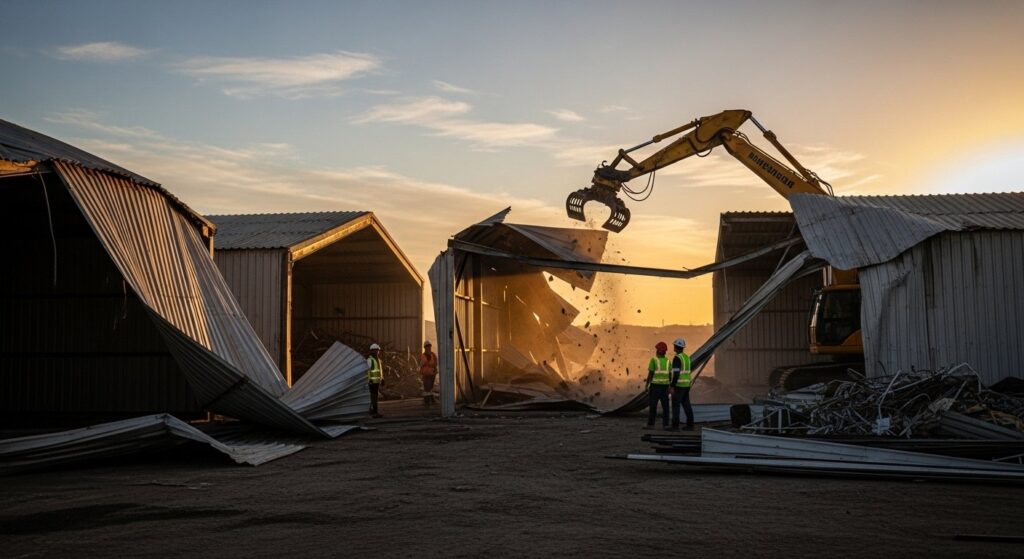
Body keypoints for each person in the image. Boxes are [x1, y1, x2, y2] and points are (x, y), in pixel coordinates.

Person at [645, 341, 672, 430]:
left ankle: (651, 425)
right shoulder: (668, 361)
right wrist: (669, 386)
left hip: (655, 387)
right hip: (665, 387)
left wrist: (647, 385)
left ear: (658, 351)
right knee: (666, 407)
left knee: (653, 406)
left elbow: (650, 374)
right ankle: (666, 425)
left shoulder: (654, 360)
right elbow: (670, 375)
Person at [670, 337, 695, 431]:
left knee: (676, 406)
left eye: (674, 345)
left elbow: (676, 373)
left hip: (679, 386)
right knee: (687, 405)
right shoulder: (686, 357)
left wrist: (672, 386)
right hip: (687, 385)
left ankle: (675, 426)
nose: (673, 347)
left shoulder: (677, 358)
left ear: (676, 347)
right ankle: (690, 425)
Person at [367, 343, 384, 417]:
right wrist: (369, 380)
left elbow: (380, 371)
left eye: (378, 350)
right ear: (372, 351)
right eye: (376, 350)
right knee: (373, 397)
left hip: (377, 382)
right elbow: (367, 371)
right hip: (372, 382)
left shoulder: (378, 360)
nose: (377, 352)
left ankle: (373, 411)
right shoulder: (370, 360)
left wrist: (382, 379)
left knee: (374, 397)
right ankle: (374, 412)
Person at [420, 340, 439, 406]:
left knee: (430, 388)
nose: (428, 348)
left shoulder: (433, 355)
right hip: (426, 374)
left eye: (429, 346)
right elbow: (422, 365)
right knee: (427, 388)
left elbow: (435, 363)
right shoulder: (423, 356)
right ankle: (427, 401)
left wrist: (435, 370)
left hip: (432, 374)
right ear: (425, 348)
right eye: (427, 346)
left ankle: (431, 400)